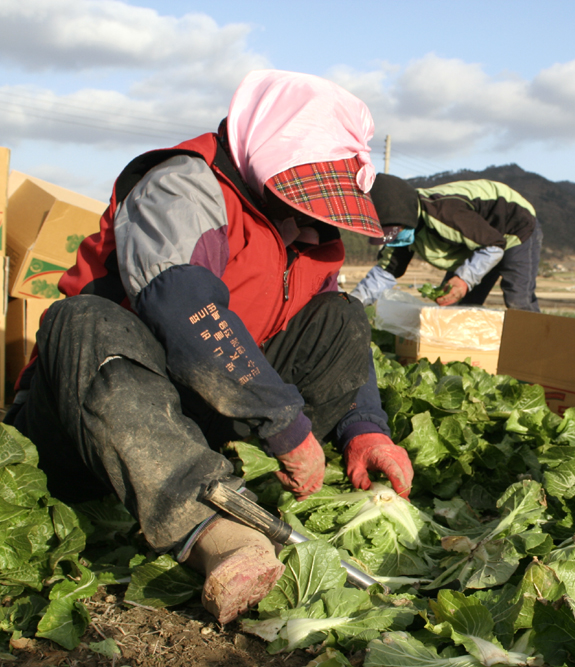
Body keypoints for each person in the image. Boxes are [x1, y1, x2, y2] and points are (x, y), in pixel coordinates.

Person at [3, 70, 414, 624]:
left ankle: (241, 486)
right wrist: (285, 425)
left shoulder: (312, 235)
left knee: (342, 317)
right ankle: (213, 530)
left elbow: (331, 339)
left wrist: (366, 427)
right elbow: (184, 308)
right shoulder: (183, 187)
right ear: (271, 153)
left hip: (196, 415)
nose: (315, 217)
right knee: (82, 320)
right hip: (96, 417)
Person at [350, 175, 542, 311]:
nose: (394, 238)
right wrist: (353, 302)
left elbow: (494, 245)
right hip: (478, 242)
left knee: (519, 299)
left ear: (405, 217)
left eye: (395, 231)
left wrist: (464, 279)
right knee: (453, 305)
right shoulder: (403, 234)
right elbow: (385, 272)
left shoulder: (445, 212)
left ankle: (536, 357)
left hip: (515, 227)